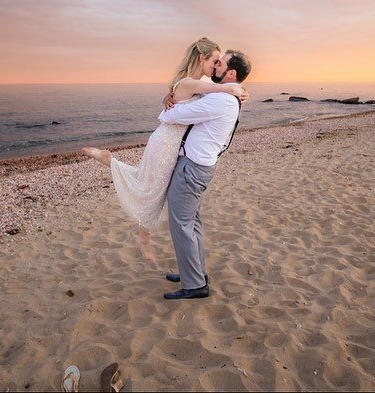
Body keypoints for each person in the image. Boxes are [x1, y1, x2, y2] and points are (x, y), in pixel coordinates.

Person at [82, 38, 245, 261]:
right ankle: (142, 234)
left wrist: (236, 91)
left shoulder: (194, 82)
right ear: (202, 58)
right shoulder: (190, 82)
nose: (216, 66)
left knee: (152, 185)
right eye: (215, 60)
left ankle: (113, 166)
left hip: (171, 142)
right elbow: (220, 89)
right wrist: (237, 90)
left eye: (219, 62)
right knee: (152, 188)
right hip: (167, 141)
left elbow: (212, 93)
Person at [157, 50, 251, 299]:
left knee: (182, 224)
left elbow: (171, 116)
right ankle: (194, 272)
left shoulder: (221, 100)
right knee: (192, 222)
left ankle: (195, 284)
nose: (216, 66)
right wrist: (173, 94)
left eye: (221, 64)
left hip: (192, 168)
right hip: (200, 166)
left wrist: (170, 103)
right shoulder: (227, 96)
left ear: (231, 73)